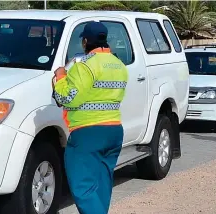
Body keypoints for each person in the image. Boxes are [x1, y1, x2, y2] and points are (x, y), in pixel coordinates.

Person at [51, 21, 128, 213]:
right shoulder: (119, 65)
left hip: (87, 133)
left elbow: (67, 98)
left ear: (85, 41)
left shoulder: (84, 66)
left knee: (83, 187)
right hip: (114, 131)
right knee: (102, 185)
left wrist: (60, 77)